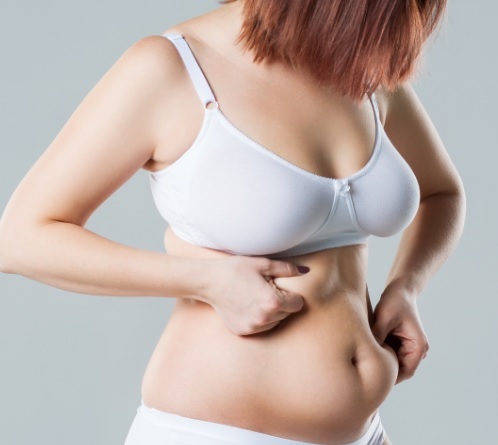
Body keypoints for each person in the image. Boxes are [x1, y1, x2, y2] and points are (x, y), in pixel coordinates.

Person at [0, 0, 465, 444]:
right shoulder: (172, 69)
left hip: (364, 433)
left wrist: (407, 286)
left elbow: (443, 193)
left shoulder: (360, 66)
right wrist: (205, 281)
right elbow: (18, 238)